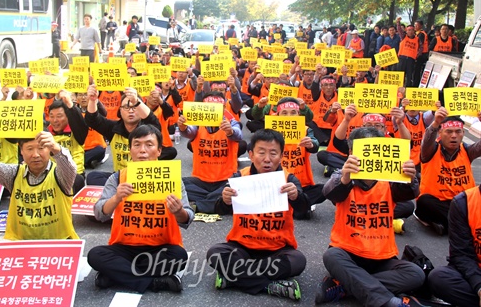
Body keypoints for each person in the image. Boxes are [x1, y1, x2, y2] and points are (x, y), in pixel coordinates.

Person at [315, 127, 426, 307]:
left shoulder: (391, 180)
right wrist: (345, 178)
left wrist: (411, 177)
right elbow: (329, 192)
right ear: (351, 152)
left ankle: (346, 287)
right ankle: (388, 302)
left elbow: (410, 193)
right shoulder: (343, 177)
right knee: (331, 256)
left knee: (415, 274)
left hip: (382, 258)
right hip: (347, 254)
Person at [88, 125, 194, 293]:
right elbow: (99, 213)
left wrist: (178, 211)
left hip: (160, 248)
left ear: (159, 151)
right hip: (124, 248)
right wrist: (116, 198)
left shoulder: (171, 179)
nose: (142, 150)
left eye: (149, 144)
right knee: (95, 255)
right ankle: (154, 282)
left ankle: (117, 274)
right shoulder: (117, 178)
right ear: (130, 150)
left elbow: (187, 218)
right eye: (137, 145)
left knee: (179, 256)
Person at [206, 129, 308, 300]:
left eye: (273, 153)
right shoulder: (239, 177)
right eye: (261, 152)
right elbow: (219, 210)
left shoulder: (289, 179)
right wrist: (225, 200)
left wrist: (296, 196)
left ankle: (233, 278)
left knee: (298, 261)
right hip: (243, 247)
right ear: (251, 155)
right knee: (215, 253)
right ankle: (269, 285)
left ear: (281, 156)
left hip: (277, 249)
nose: (267, 159)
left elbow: (304, 207)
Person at [0, 131, 78, 240]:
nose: (36, 155)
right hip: (20, 244)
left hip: (59, 242)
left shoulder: (60, 174)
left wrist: (56, 148)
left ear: (49, 149)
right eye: (29, 149)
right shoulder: (14, 174)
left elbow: (69, 168)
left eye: (41, 148)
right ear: (21, 151)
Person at [415, 109, 481, 235]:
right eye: (449, 131)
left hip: (464, 202)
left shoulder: (467, 150)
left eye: (458, 132)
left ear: (463, 133)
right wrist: (435, 123)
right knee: (424, 202)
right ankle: (465, 226)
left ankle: (447, 225)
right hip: (438, 203)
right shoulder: (430, 150)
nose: (454, 136)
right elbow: (426, 141)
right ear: (440, 132)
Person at [178, 91, 243, 213]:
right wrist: (183, 128)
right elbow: (189, 132)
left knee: (236, 188)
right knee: (177, 185)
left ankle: (199, 205)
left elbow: (238, 134)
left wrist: (230, 132)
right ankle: (216, 200)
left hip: (225, 179)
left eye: (216, 107)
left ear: (224, 108)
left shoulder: (232, 123)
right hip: (200, 181)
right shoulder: (197, 124)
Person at [85, 86, 161, 186]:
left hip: (146, 178)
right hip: (121, 177)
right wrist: (92, 100)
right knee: (92, 177)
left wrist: (136, 101)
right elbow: (92, 120)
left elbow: (153, 119)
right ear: (120, 110)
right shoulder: (113, 128)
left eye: (134, 106)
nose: (131, 111)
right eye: (126, 107)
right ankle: (123, 190)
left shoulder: (150, 128)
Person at [428, 182, 481, 306]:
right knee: (439, 278)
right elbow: (462, 255)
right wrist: (479, 287)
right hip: (476, 272)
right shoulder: (464, 202)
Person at [47, 92, 88, 193]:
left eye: (59, 116)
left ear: (68, 117)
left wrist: (70, 104)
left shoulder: (76, 132)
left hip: (74, 175)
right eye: (51, 116)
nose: (55, 120)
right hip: (52, 175)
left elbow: (80, 122)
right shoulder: (46, 133)